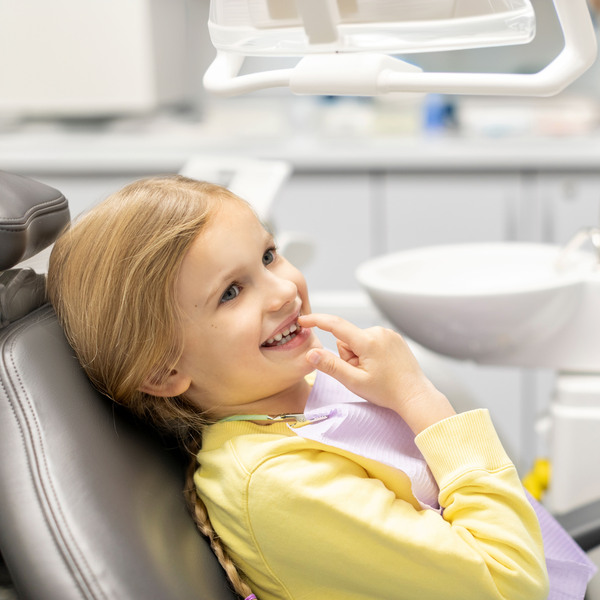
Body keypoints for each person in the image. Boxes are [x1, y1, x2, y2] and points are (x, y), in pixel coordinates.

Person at [46, 175, 552, 600]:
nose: (285, 289)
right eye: (231, 292)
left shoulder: (305, 394)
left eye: (268, 256)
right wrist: (421, 402)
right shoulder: (276, 486)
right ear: (162, 371)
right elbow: (513, 586)